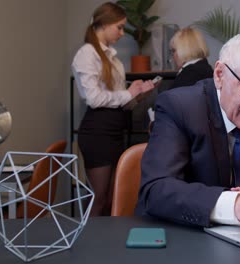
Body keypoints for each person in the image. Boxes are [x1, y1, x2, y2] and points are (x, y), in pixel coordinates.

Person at [135, 31, 240, 227]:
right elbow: (156, 190)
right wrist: (235, 204)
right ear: (219, 75)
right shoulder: (180, 107)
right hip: (181, 237)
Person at [71, 2, 156, 216]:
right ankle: (87, 244)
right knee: (99, 198)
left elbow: (120, 103)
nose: (121, 32)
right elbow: (94, 98)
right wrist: (129, 93)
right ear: (104, 24)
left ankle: (104, 245)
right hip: (97, 133)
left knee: (111, 199)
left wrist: (138, 95)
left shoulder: (114, 60)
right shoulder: (87, 54)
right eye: (118, 27)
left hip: (114, 131)